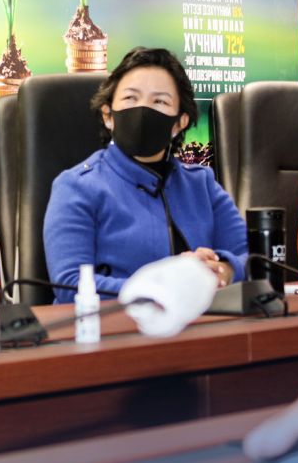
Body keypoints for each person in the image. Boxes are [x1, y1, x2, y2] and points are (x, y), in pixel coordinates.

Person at [43, 47, 247, 302]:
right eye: (130, 98)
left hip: (202, 322)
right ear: (108, 115)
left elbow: (252, 257)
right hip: (111, 324)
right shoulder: (76, 187)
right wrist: (165, 284)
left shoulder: (201, 184)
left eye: (159, 101)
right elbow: (69, 284)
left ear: (179, 123)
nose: (142, 110)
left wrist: (224, 270)